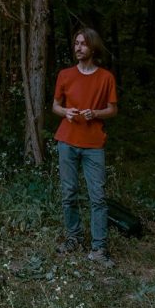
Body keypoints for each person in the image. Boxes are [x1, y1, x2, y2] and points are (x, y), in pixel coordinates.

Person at [51, 27, 118, 266]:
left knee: (97, 197)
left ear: (93, 48)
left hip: (93, 144)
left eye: (83, 44)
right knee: (69, 194)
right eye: (76, 43)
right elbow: (55, 106)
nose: (78, 48)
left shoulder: (106, 77)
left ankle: (99, 248)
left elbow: (113, 110)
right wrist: (65, 112)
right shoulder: (65, 75)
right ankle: (74, 238)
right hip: (67, 140)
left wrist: (95, 113)